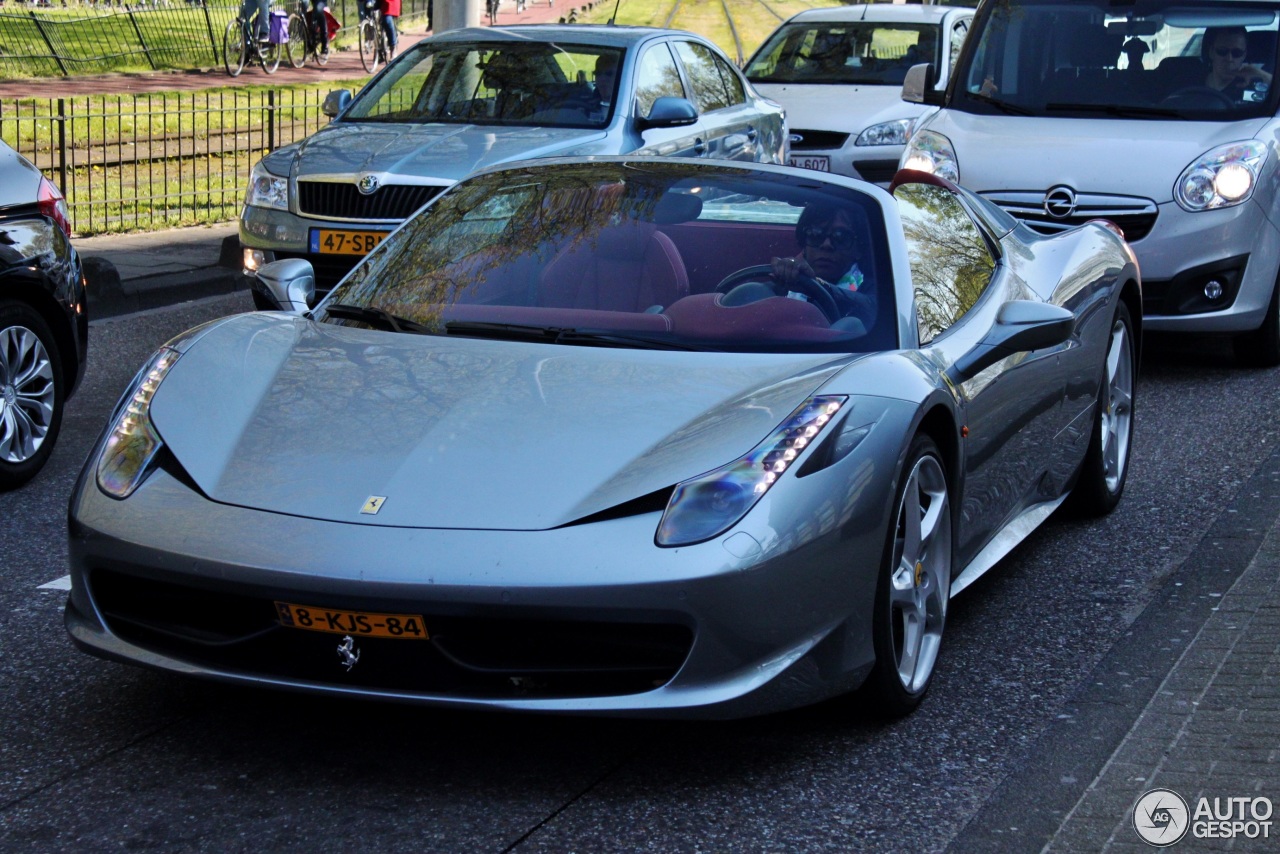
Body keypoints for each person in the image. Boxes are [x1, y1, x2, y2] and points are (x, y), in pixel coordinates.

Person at [724, 202, 875, 332]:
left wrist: (815, 285)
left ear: (859, 249)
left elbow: (870, 305)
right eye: (816, 234)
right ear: (804, 245)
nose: (826, 245)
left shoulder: (875, 288)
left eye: (841, 237)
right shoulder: (782, 286)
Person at [1203, 26, 1272, 98]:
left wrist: (1263, 75)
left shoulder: (1253, 85)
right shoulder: (1195, 78)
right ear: (1211, 52)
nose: (1229, 59)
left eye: (1237, 53)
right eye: (1222, 51)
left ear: (1244, 55)